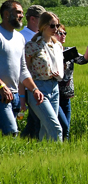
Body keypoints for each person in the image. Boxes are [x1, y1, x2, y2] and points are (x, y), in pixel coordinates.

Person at [0, 0, 43, 136]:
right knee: (12, 133)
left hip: (14, 95)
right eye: (18, 12)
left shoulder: (20, 38)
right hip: (1, 94)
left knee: (8, 136)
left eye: (22, 13)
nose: (21, 16)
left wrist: (34, 89)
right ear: (6, 14)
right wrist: (1, 87)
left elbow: (23, 70)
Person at [55, 23, 88, 140]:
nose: (63, 35)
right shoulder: (50, 51)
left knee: (67, 129)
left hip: (67, 96)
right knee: (62, 126)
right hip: (54, 95)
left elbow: (83, 60)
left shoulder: (69, 51)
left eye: (65, 33)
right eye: (60, 33)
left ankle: (63, 151)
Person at [24, 11, 64, 141]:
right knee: (55, 127)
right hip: (39, 88)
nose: (56, 29)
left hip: (54, 87)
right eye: (52, 26)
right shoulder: (32, 46)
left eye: (57, 26)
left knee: (46, 128)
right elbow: (25, 70)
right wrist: (24, 94)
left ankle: (44, 155)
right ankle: (59, 157)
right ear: (43, 26)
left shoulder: (57, 46)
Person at [19, 4, 45, 138]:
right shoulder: (22, 37)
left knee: (36, 120)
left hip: (42, 85)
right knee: (36, 121)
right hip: (29, 85)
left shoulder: (43, 36)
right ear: (33, 19)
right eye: (43, 18)